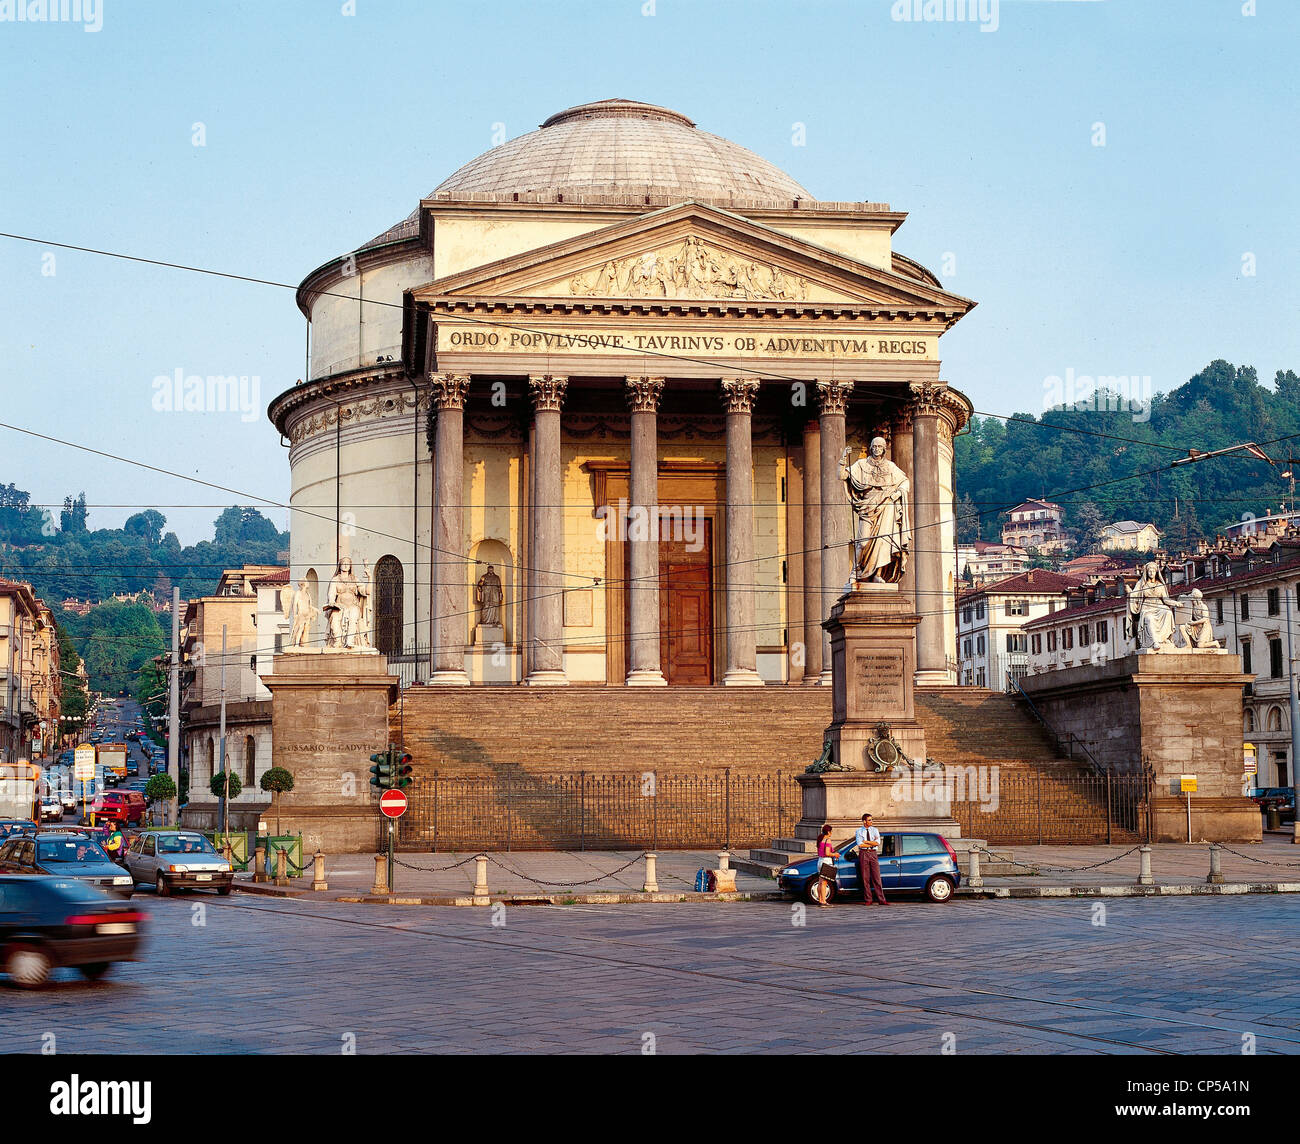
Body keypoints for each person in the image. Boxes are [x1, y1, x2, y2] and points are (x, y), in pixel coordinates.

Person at [840, 438, 910, 584]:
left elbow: (905, 482)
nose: (877, 449)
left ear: (884, 449)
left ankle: (878, 574)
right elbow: (842, 476)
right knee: (863, 543)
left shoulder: (890, 467)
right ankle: (855, 571)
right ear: (871, 448)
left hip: (885, 506)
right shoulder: (861, 464)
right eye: (874, 446)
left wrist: (898, 493)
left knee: (883, 542)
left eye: (880, 446)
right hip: (867, 507)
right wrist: (843, 459)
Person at [854, 813, 888, 905]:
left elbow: (877, 843)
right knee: (865, 878)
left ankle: (881, 899)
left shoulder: (875, 830)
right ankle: (868, 899)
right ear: (864, 821)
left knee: (876, 877)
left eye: (871, 819)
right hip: (864, 853)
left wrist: (867, 842)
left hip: (873, 854)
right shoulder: (859, 831)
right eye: (869, 820)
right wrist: (870, 843)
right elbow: (860, 844)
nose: (871, 821)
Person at [813, 823, 838, 907]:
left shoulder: (820, 839)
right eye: (831, 831)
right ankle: (824, 901)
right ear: (828, 831)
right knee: (824, 883)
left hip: (820, 861)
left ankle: (820, 900)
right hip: (826, 861)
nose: (831, 833)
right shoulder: (828, 840)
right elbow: (827, 853)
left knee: (820, 882)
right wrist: (835, 855)